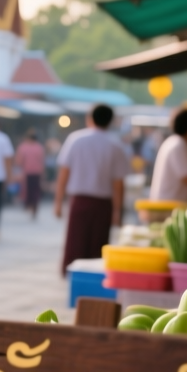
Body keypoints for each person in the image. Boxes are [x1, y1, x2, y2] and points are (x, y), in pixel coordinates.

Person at [54, 104, 131, 273]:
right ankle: (92, 279)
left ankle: (72, 276)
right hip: (103, 204)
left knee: (76, 243)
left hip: (79, 202)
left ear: (89, 118)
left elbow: (63, 175)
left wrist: (58, 202)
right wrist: (118, 212)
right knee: (97, 246)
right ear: (110, 121)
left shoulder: (76, 139)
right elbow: (118, 184)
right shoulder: (116, 145)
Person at [15, 129, 46, 219]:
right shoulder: (40, 147)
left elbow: (18, 161)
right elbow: (42, 161)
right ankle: (34, 208)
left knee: (27, 191)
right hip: (37, 172)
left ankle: (28, 206)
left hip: (26, 172)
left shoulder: (23, 147)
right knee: (35, 191)